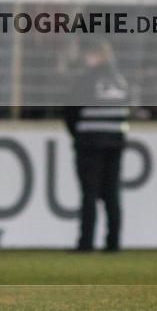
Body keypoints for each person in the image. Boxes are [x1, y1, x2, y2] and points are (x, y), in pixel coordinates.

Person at [64, 39, 130, 252]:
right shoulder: (120, 81)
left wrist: (78, 135)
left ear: (97, 56)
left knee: (89, 193)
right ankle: (113, 242)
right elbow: (127, 109)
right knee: (112, 193)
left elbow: (70, 111)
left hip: (89, 142)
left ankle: (86, 243)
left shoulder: (86, 80)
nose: (86, 58)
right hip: (115, 142)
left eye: (89, 54)